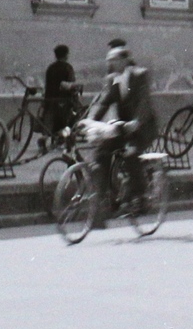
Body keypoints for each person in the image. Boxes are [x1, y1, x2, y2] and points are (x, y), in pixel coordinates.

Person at [88, 39, 158, 211]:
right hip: (122, 127)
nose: (111, 64)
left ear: (124, 61)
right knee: (101, 152)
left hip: (143, 128)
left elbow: (144, 102)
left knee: (130, 154)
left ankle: (141, 196)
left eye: (114, 60)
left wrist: (137, 122)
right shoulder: (112, 79)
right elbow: (103, 102)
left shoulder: (140, 75)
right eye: (109, 61)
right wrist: (89, 121)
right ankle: (105, 197)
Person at [43, 43, 79, 136]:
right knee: (76, 111)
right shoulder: (68, 67)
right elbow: (71, 85)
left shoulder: (50, 68)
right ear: (66, 55)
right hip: (64, 101)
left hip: (50, 100)